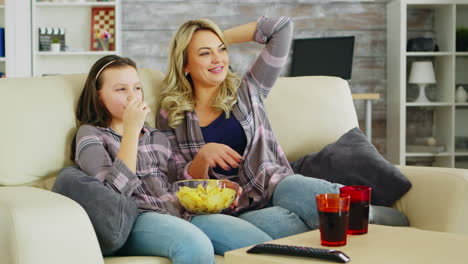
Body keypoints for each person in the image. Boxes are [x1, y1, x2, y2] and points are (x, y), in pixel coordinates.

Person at [157, 16, 408, 243]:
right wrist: (203, 157)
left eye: (221, 50)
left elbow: (280, 28)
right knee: (282, 224)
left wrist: (218, 35)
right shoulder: (171, 114)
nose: (218, 59)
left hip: (273, 183)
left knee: (305, 191)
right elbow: (175, 180)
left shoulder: (249, 90)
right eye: (204, 53)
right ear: (185, 65)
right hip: (235, 209)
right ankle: (359, 226)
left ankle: (376, 219)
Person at [71, 55, 271, 264]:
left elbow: (178, 185)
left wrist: (216, 190)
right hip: (135, 219)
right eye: (121, 89)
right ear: (99, 96)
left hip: (178, 213)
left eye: (137, 88)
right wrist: (131, 131)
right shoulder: (90, 134)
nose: (133, 97)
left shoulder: (156, 136)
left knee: (260, 245)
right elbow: (111, 197)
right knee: (195, 246)